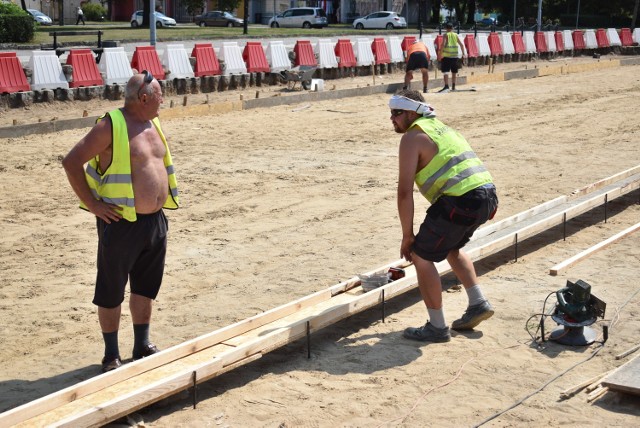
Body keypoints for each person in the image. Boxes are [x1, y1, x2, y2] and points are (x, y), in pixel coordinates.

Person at [62, 71, 179, 372]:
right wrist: (93, 204)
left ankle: (141, 344)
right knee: (112, 289)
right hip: (121, 223)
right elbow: (72, 162)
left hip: (154, 221)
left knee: (145, 287)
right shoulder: (110, 126)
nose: (163, 99)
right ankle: (111, 354)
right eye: (159, 95)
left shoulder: (153, 123)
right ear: (143, 98)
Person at [390, 89, 498, 343]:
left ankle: (437, 327)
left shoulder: (412, 137)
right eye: (391, 113)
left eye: (396, 113)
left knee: (421, 256)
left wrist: (408, 237)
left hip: (460, 200)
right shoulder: (442, 128)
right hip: (486, 196)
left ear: (411, 113)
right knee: (452, 246)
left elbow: (404, 192)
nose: (392, 119)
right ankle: (478, 302)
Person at [437, 22, 466, 92]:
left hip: (447, 56)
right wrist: (463, 54)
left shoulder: (445, 35)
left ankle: (446, 86)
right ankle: (453, 86)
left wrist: (440, 54)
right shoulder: (455, 35)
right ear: (452, 28)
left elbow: (443, 45)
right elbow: (461, 45)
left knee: (446, 72)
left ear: (446, 28)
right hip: (455, 56)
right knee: (454, 72)